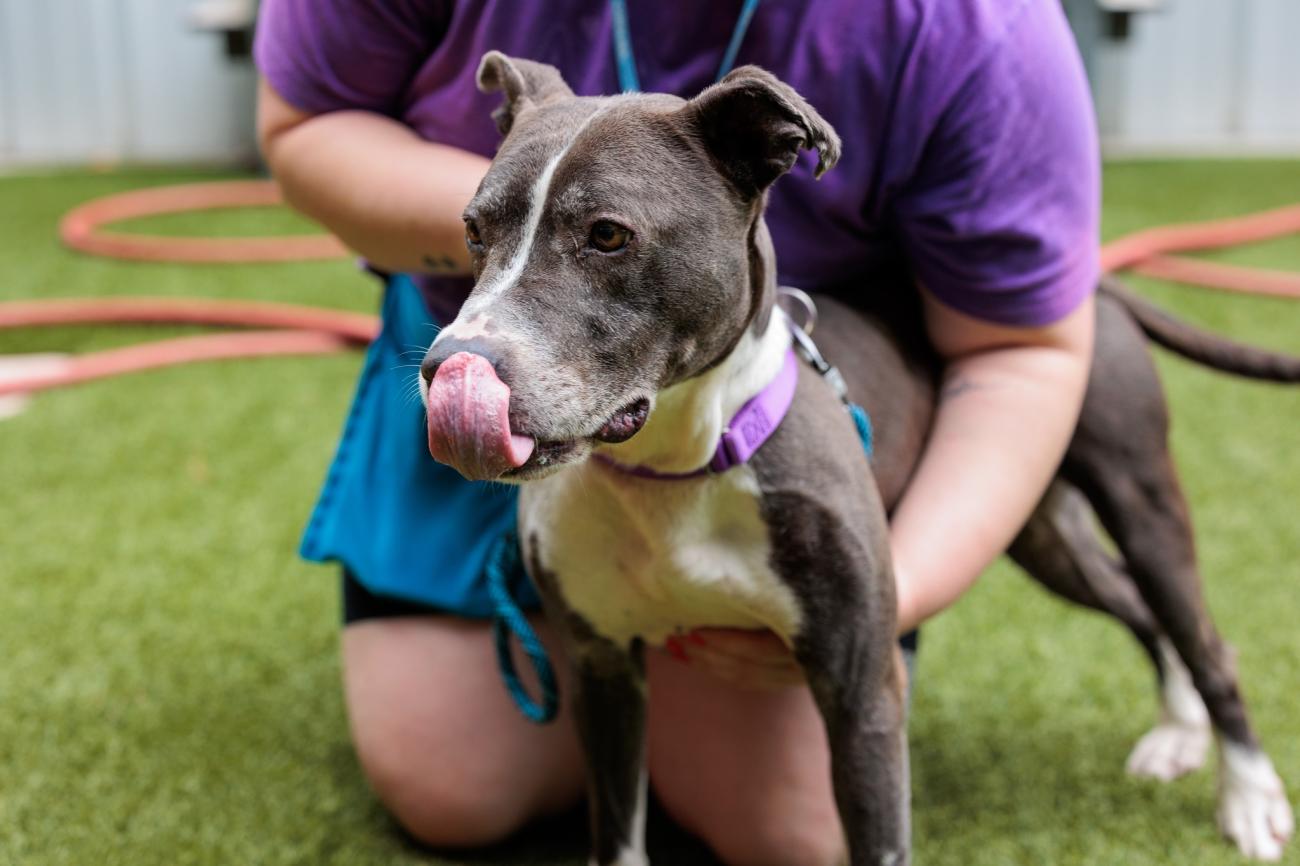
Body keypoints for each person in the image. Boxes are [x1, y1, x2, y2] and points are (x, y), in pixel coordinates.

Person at [254, 2, 1098, 864]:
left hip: (761, 384)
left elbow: (1020, 353)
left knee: (791, 836)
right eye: (485, 232)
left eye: (609, 237)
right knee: (453, 785)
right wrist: (545, 201)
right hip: (503, 417)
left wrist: (889, 590)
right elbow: (305, 123)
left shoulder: (971, 27)